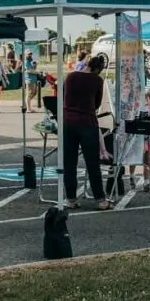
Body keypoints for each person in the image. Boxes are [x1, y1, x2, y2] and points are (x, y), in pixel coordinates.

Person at [62, 56, 111, 210]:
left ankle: (70, 199)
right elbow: (96, 103)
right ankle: (100, 200)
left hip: (68, 122)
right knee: (92, 163)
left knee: (69, 163)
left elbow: (63, 95)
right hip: (87, 123)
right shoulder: (97, 81)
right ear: (99, 69)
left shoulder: (71, 76)